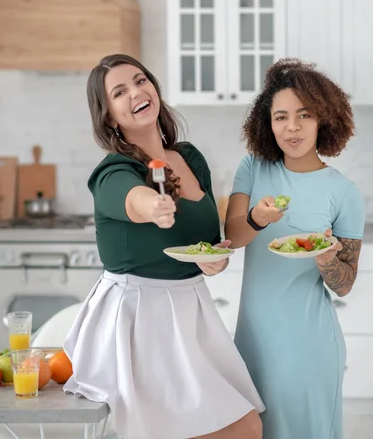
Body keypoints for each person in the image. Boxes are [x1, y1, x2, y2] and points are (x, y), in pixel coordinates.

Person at [63, 54, 264, 439]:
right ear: (108, 116)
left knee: (243, 424)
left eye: (140, 81)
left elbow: (205, 243)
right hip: (139, 321)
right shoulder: (114, 171)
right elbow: (132, 199)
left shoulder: (188, 158)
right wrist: (152, 206)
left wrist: (212, 261)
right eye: (120, 92)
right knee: (235, 428)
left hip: (190, 313)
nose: (137, 92)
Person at [225, 58, 365, 439]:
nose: (292, 127)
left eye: (304, 115)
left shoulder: (344, 193)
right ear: (266, 124)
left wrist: (327, 260)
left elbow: (345, 283)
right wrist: (257, 217)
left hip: (309, 342)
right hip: (252, 338)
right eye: (280, 117)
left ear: (324, 119)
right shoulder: (253, 167)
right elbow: (233, 236)